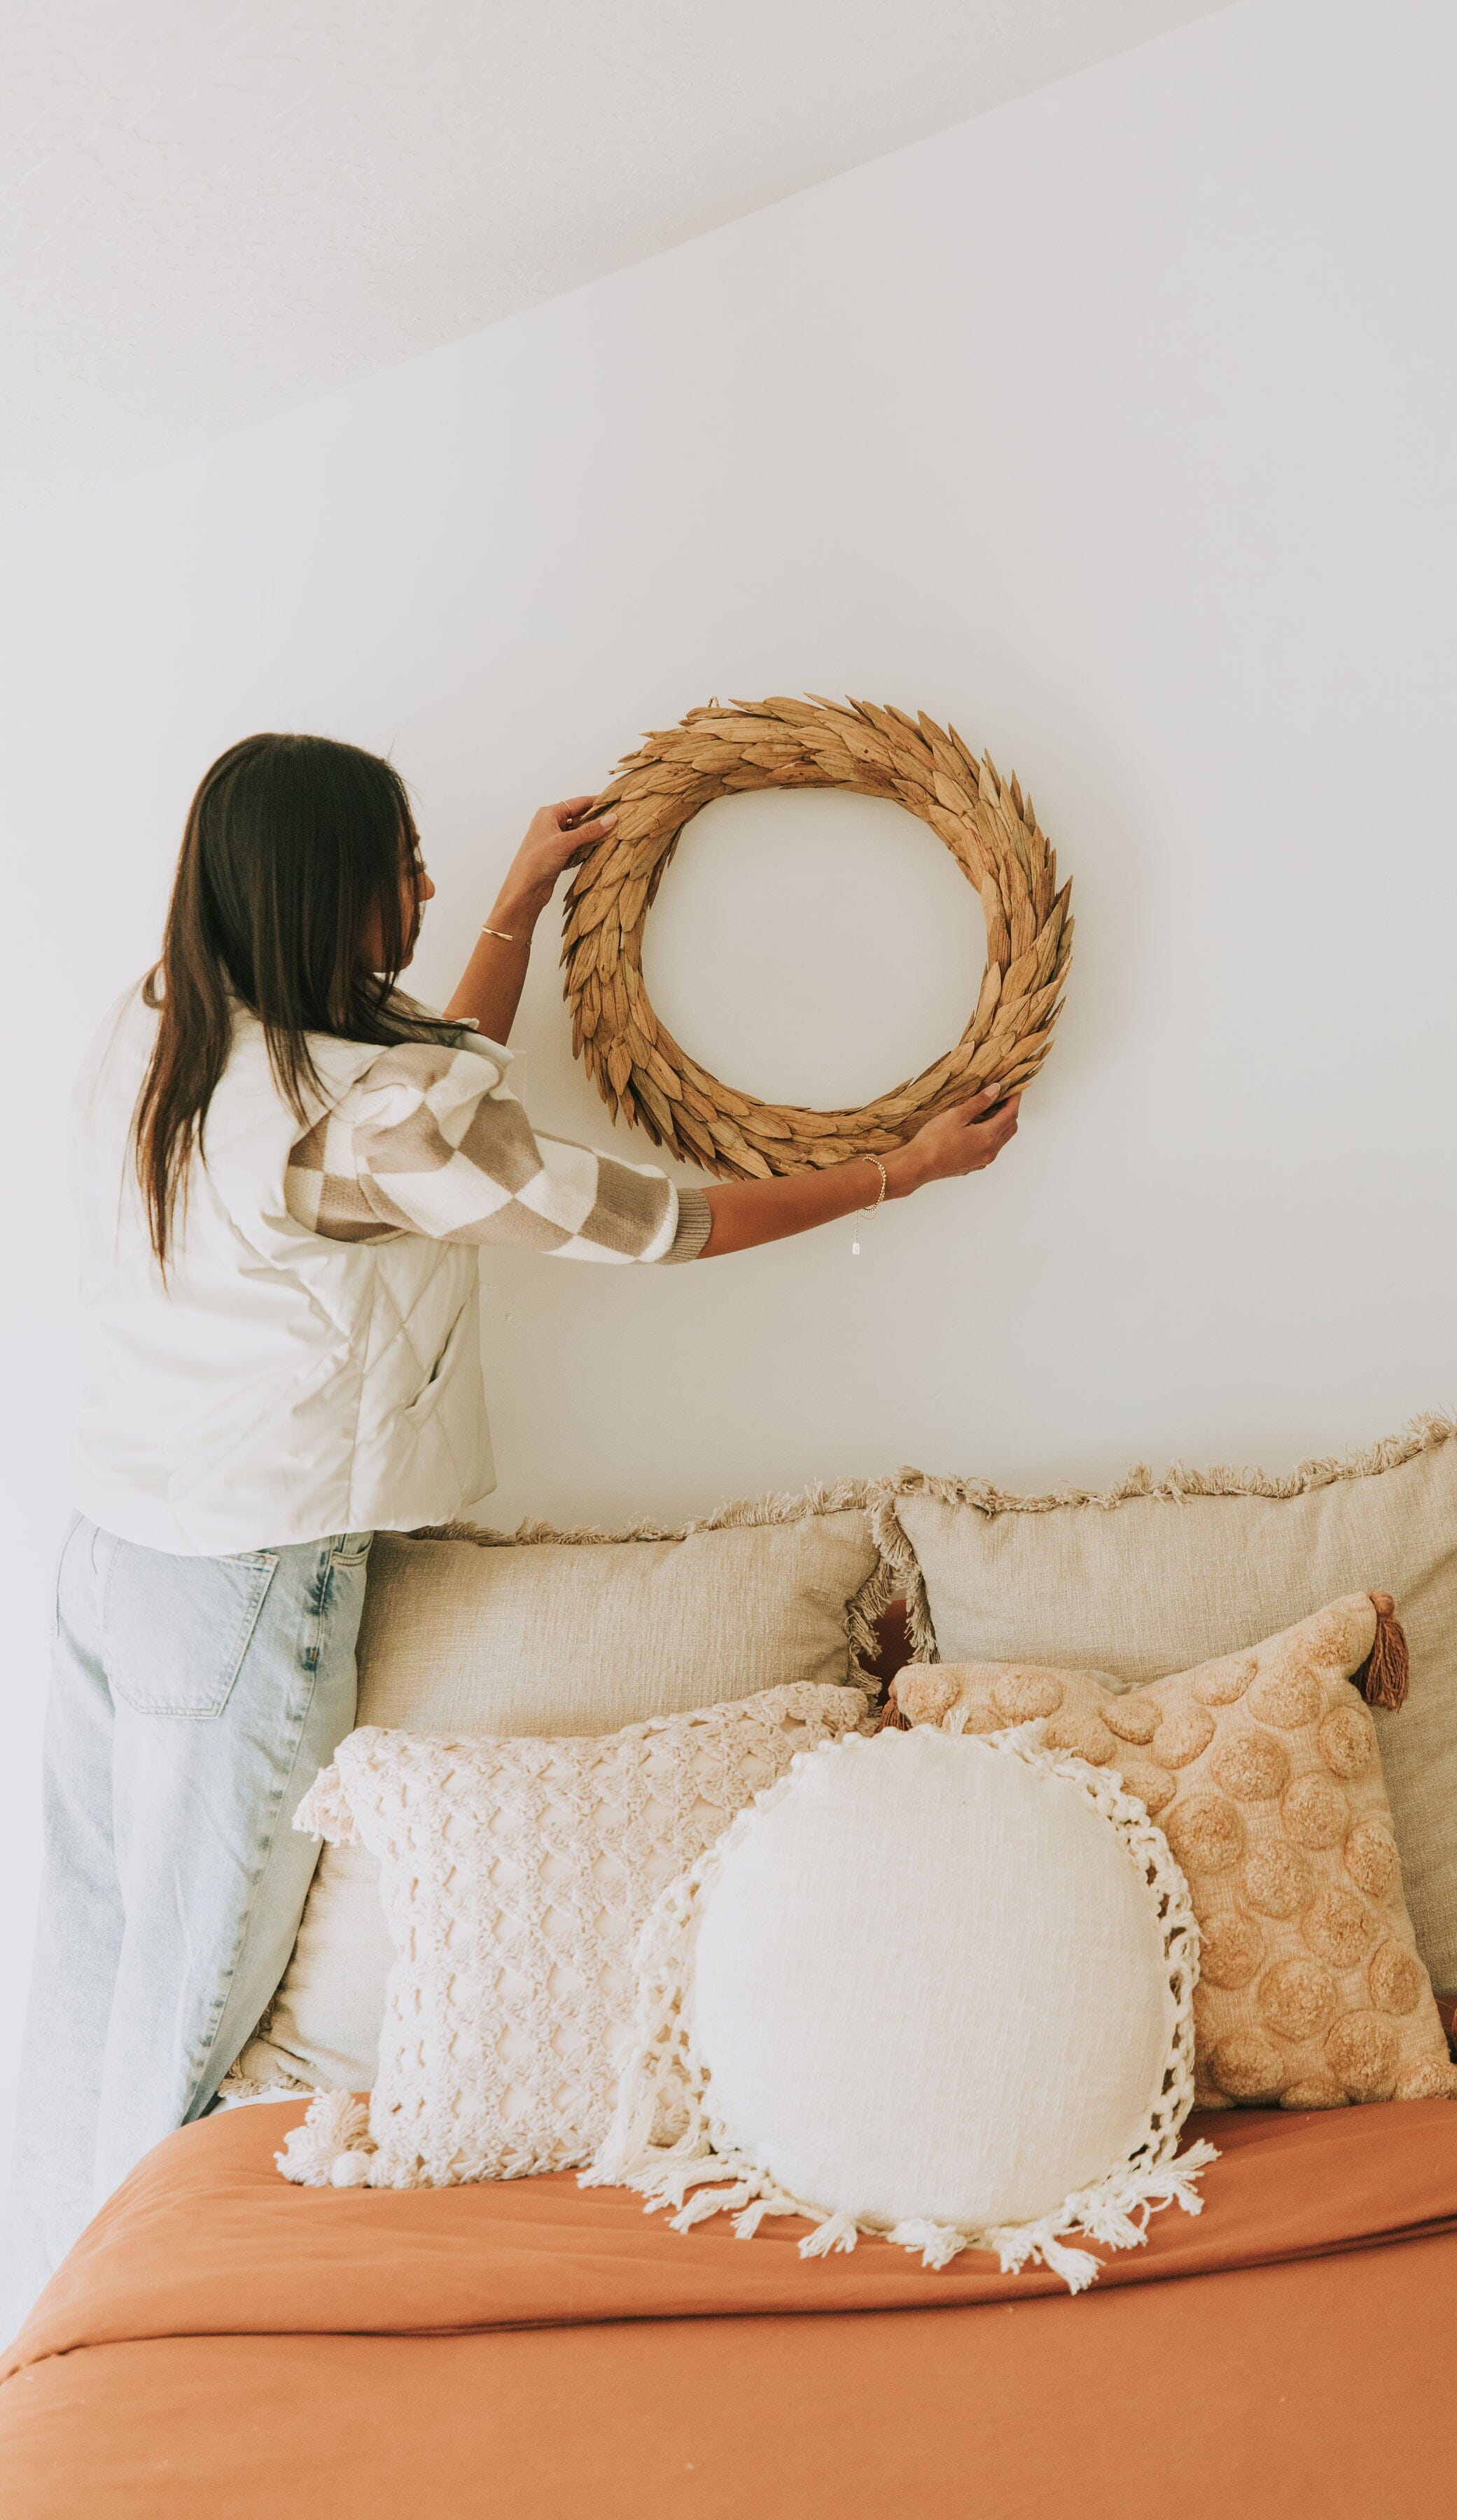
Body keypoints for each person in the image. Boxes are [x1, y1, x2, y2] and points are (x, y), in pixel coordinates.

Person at [1, 730, 1019, 2331]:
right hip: (247, 1593)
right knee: (189, 2009)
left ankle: (37, 2292)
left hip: (109, 1563)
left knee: (89, 1968)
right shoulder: (363, 1118)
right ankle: (112, 2336)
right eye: (401, 868)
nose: (421, 886)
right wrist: (902, 1172)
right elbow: (650, 1220)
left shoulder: (157, 1027)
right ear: (324, 899)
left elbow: (424, 1128)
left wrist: (516, 907)